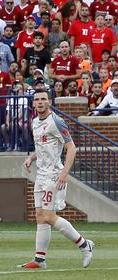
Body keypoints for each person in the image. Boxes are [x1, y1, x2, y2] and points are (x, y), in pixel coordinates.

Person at [19, 89, 94, 269]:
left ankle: (85, 245)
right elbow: (44, 146)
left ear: (49, 102)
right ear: (33, 103)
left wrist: (63, 174)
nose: (40, 102)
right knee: (40, 217)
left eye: (43, 99)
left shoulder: (57, 122)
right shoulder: (34, 121)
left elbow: (72, 148)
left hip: (54, 175)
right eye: (37, 99)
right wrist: (31, 158)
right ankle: (40, 259)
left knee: (49, 216)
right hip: (41, 175)